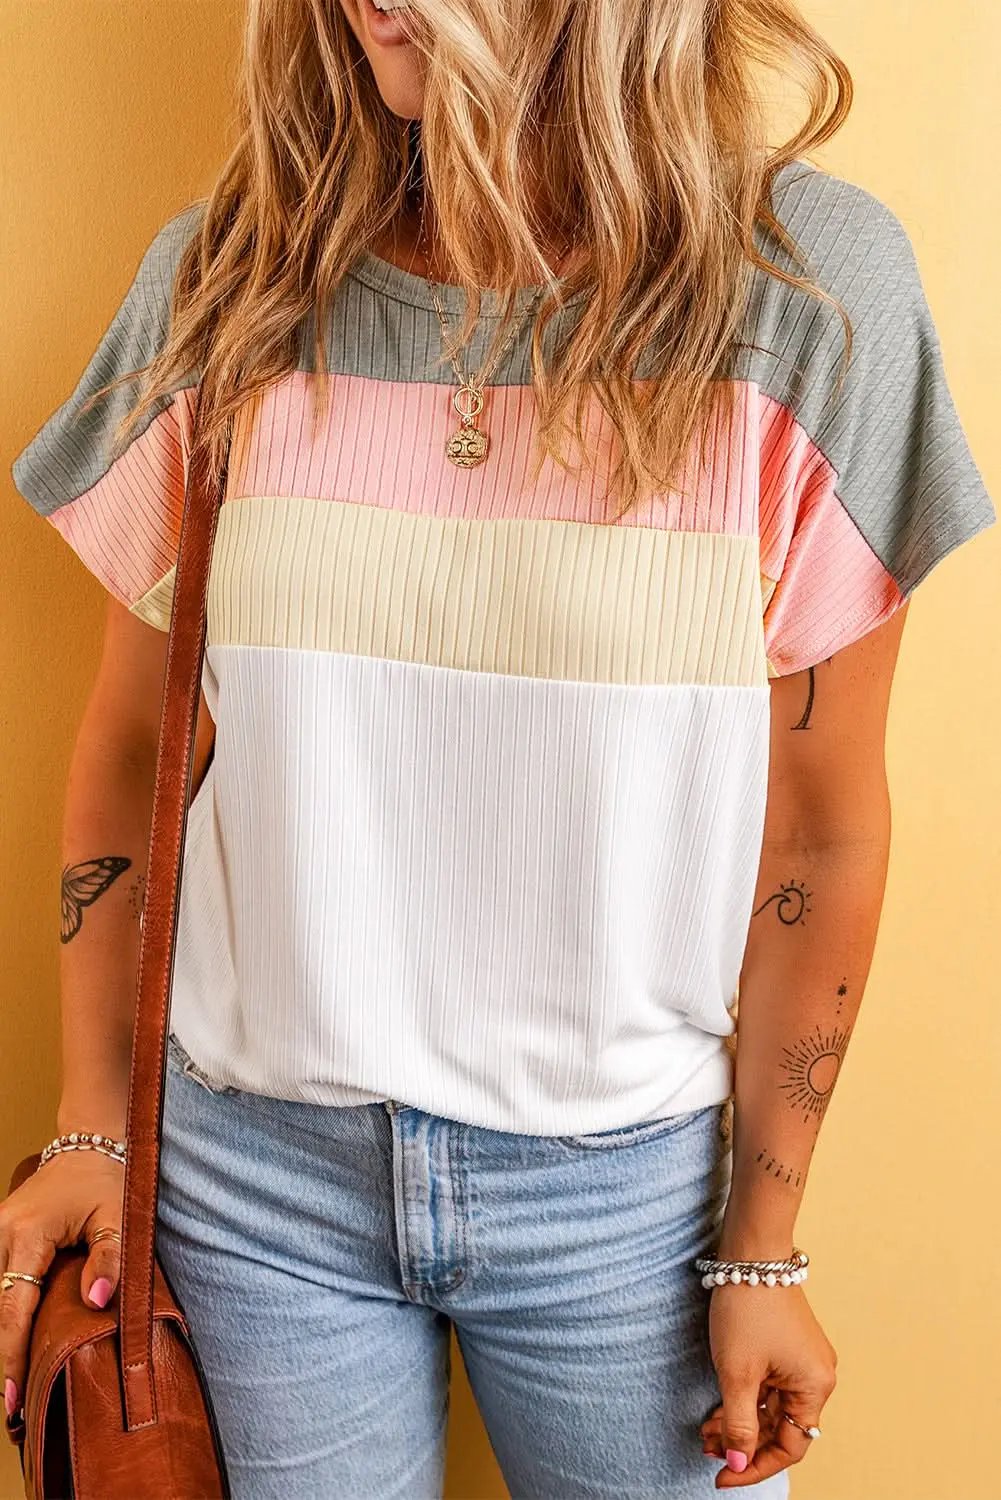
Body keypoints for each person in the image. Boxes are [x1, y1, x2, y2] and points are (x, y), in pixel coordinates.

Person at [3, 1, 996, 1495]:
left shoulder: (806, 293)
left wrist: (760, 1249)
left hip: (629, 1209)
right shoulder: (232, 278)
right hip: (252, 1188)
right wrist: (94, 1125)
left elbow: (819, 825)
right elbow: (138, 738)